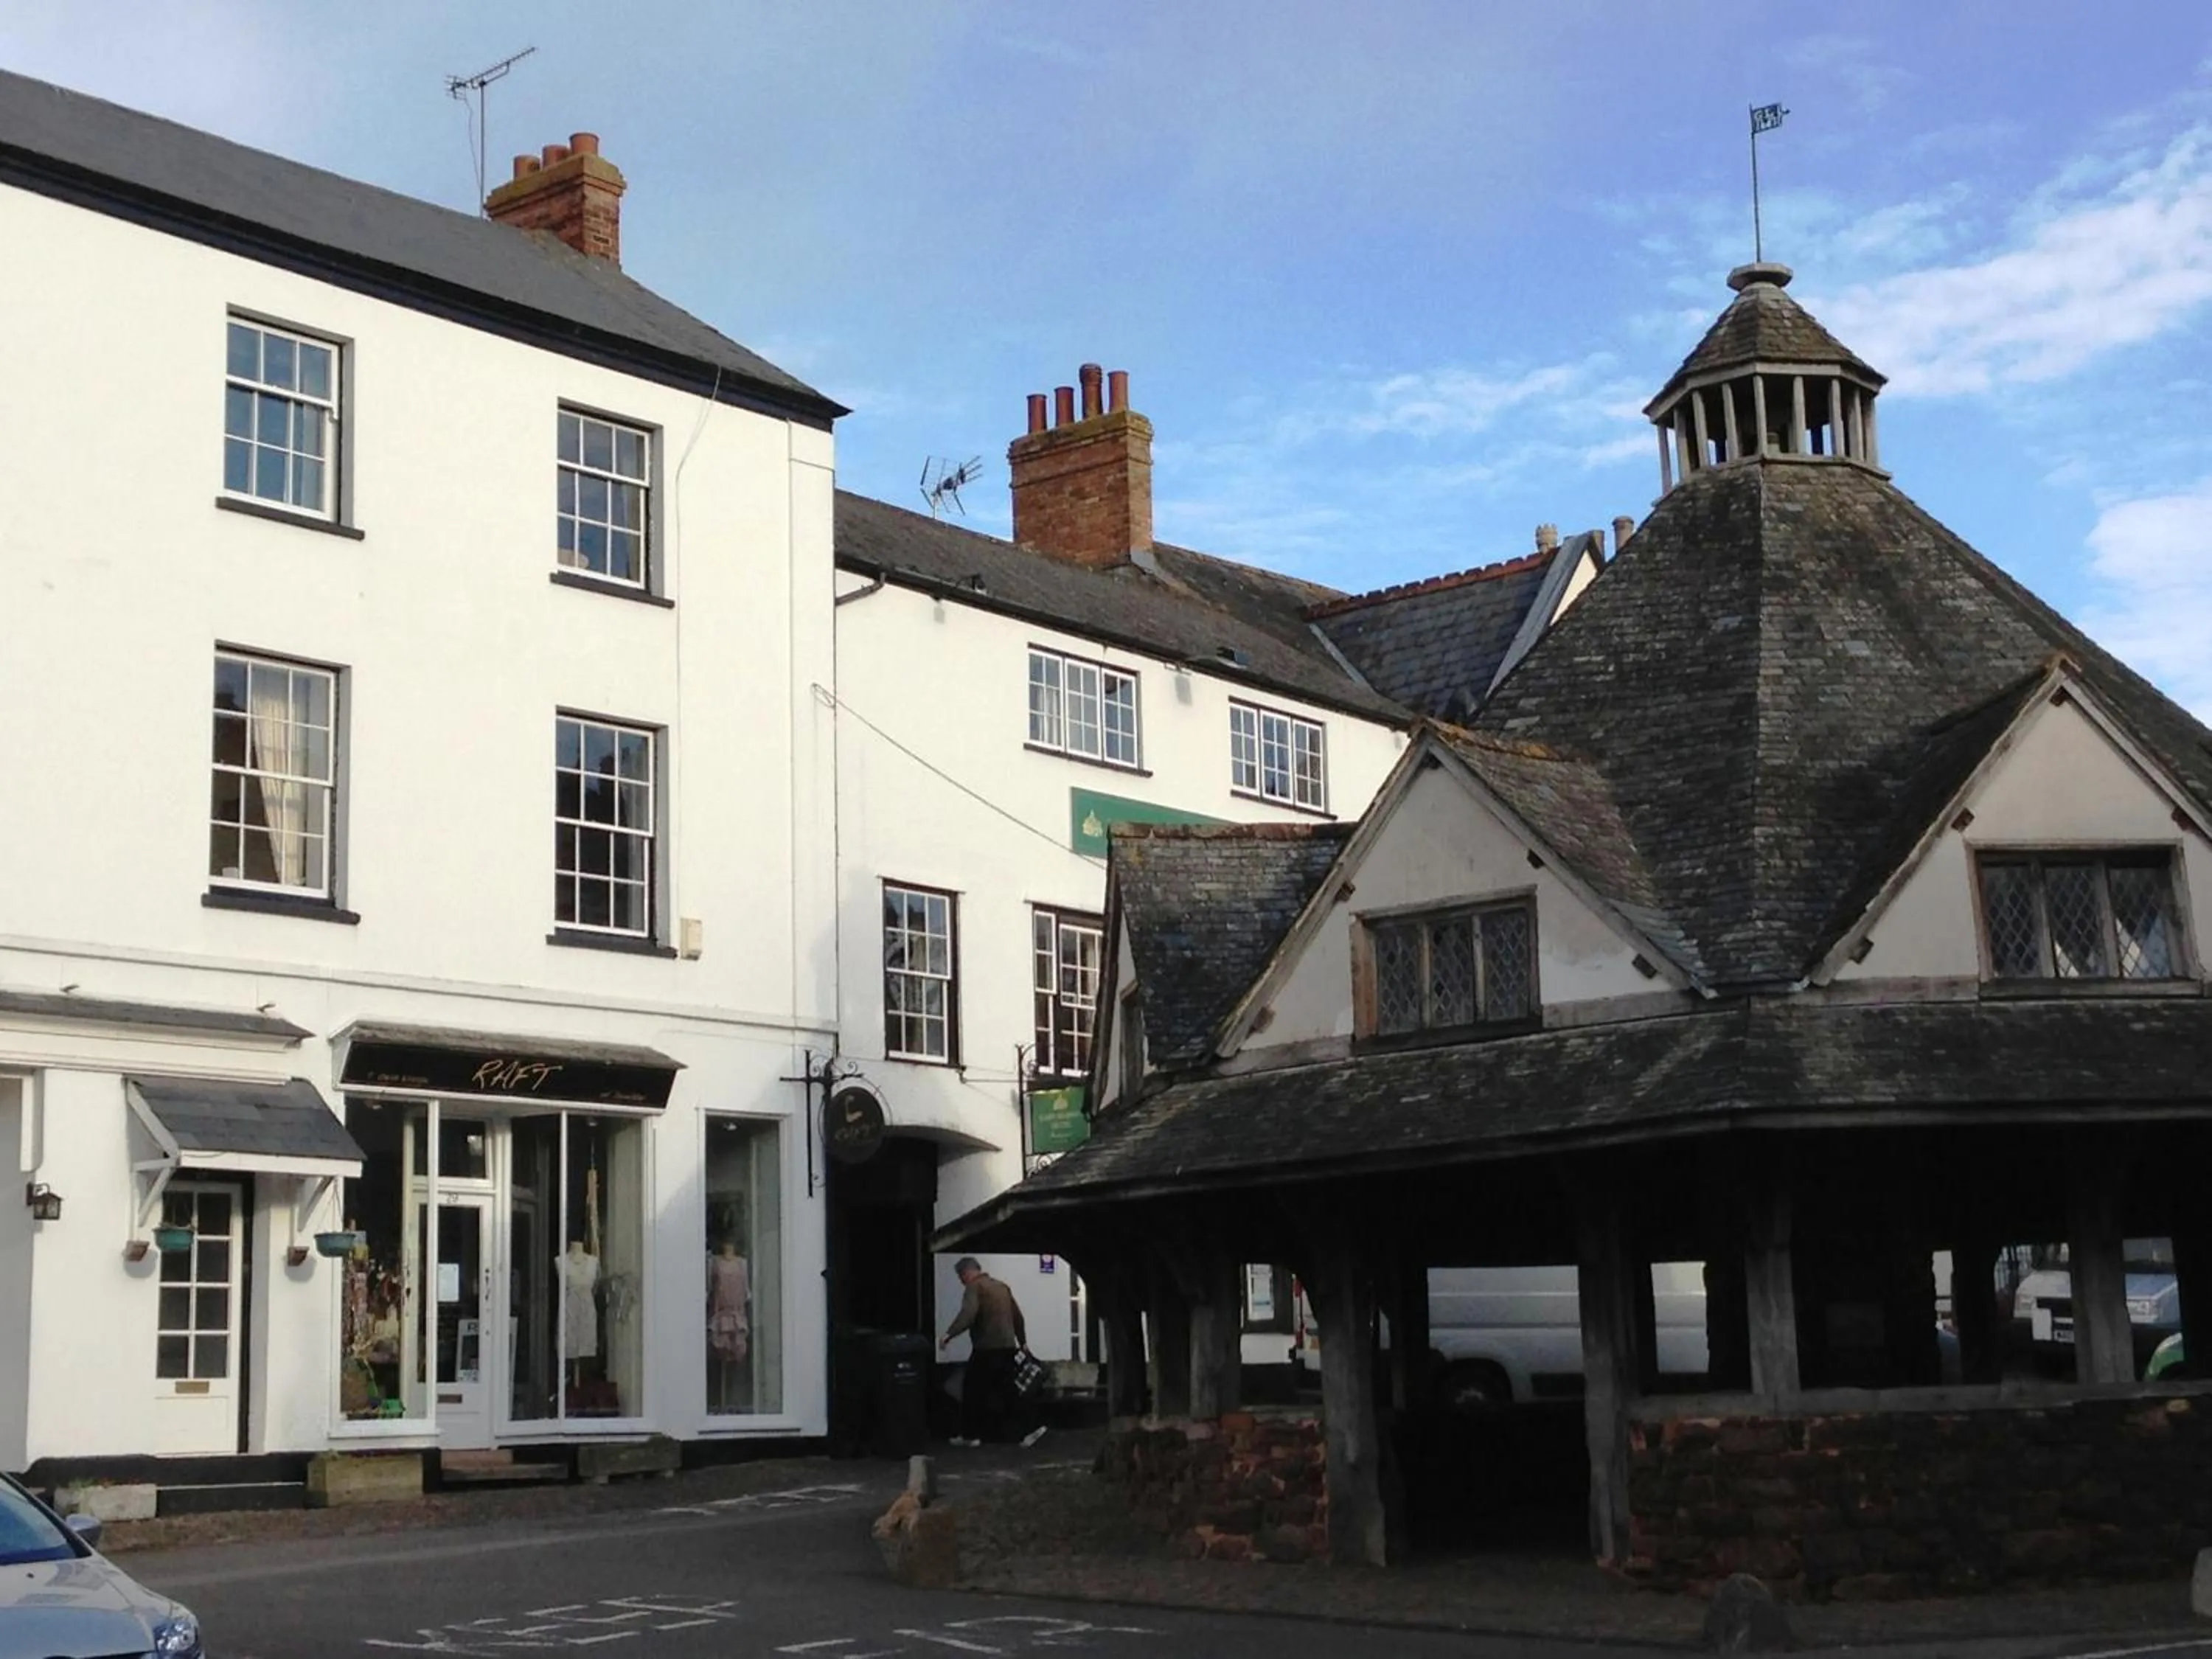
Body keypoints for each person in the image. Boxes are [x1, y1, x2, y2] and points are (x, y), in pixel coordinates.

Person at [940, 1256, 1045, 1447]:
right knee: (1010, 1391)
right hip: (1007, 1347)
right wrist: (1023, 1342)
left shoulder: (975, 1288)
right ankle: (1031, 1428)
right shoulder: (1002, 1287)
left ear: (967, 1273)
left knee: (971, 1391)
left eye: (960, 1276)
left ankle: (971, 1435)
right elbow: (1017, 1316)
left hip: (986, 1348)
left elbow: (968, 1315)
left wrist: (949, 1334)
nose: (961, 1281)